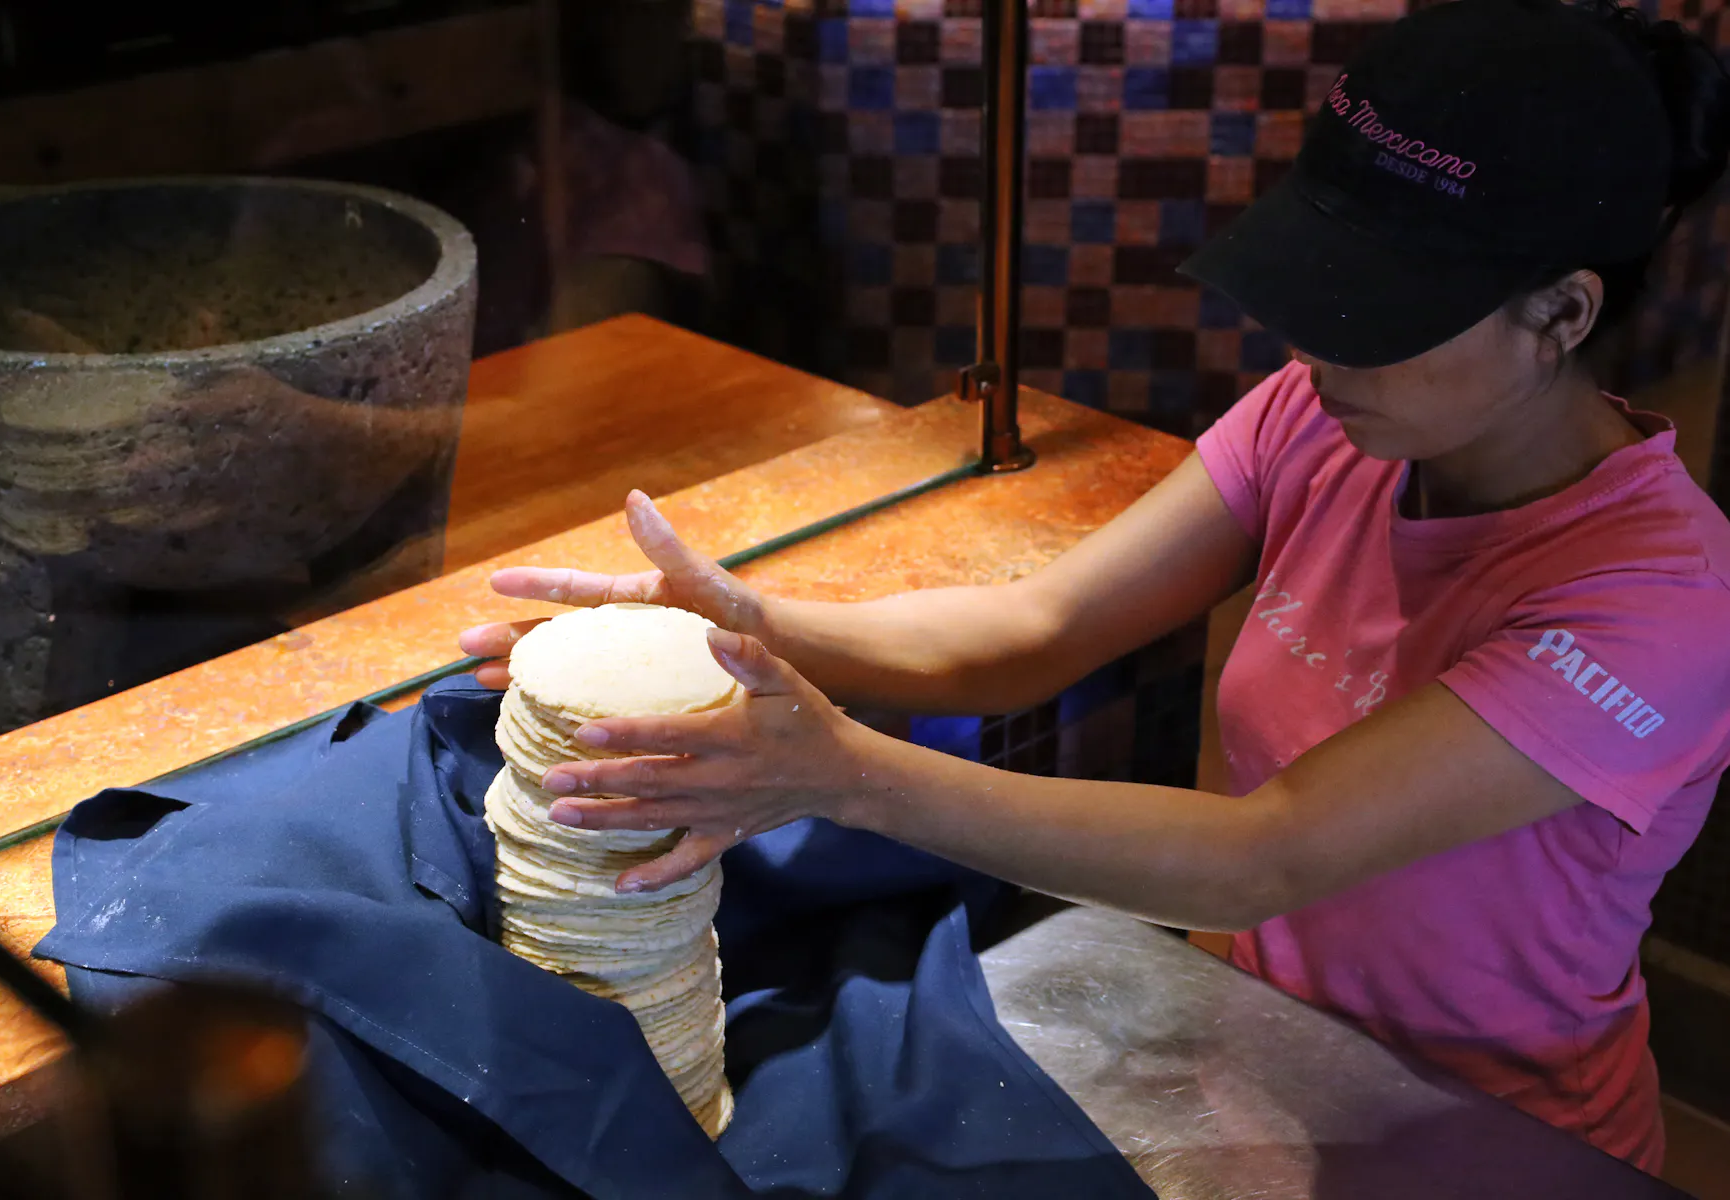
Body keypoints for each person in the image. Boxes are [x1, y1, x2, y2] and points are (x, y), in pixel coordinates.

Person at [459, 0, 1730, 1172]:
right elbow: (1036, 626)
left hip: (1495, 1139)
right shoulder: (1326, 417)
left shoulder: (1659, 602)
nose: (1313, 344)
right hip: (1254, 1048)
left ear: (1562, 311)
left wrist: (842, 773)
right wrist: (742, 617)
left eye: (1379, 310)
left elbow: (1266, 855)